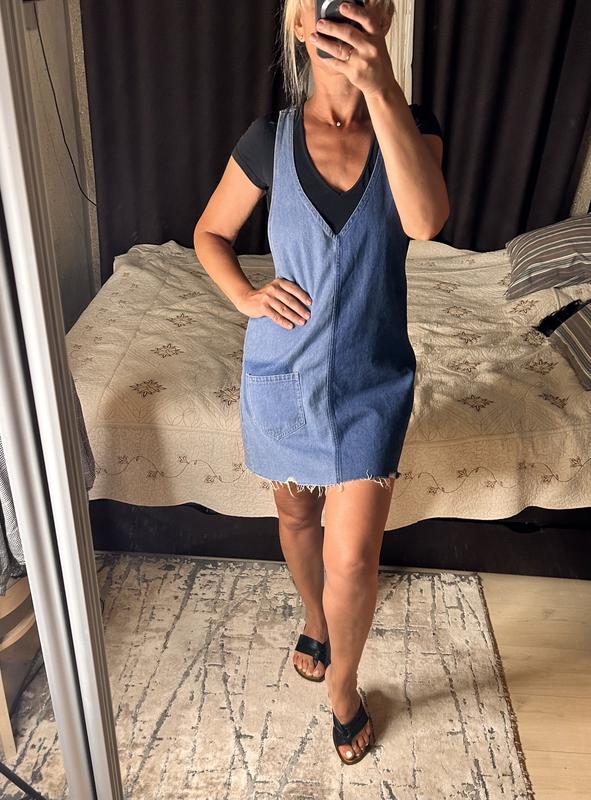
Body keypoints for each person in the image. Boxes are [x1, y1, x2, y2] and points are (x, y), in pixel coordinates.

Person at [194, 0, 449, 765]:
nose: (343, 12)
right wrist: (245, 296)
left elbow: (425, 220)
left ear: (384, 16)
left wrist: (382, 87)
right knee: (297, 515)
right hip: (281, 373)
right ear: (301, 24)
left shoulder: (412, 125)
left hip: (371, 379)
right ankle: (314, 617)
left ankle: (343, 684)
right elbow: (210, 232)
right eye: (325, 3)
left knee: (355, 556)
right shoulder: (267, 140)